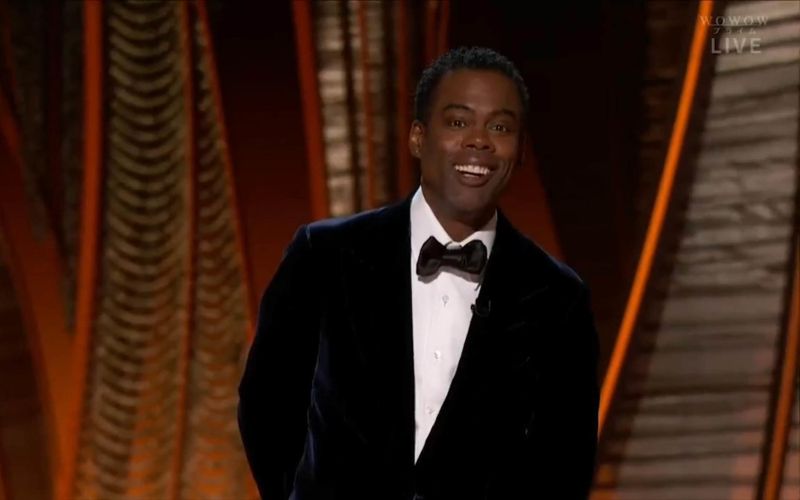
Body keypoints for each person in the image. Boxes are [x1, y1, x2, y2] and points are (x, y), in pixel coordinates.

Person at [238, 46, 599, 499]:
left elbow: (566, 464)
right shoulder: (325, 255)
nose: (479, 141)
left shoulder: (558, 297)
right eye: (458, 122)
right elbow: (266, 402)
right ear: (417, 137)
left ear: (521, 149)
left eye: (500, 127)